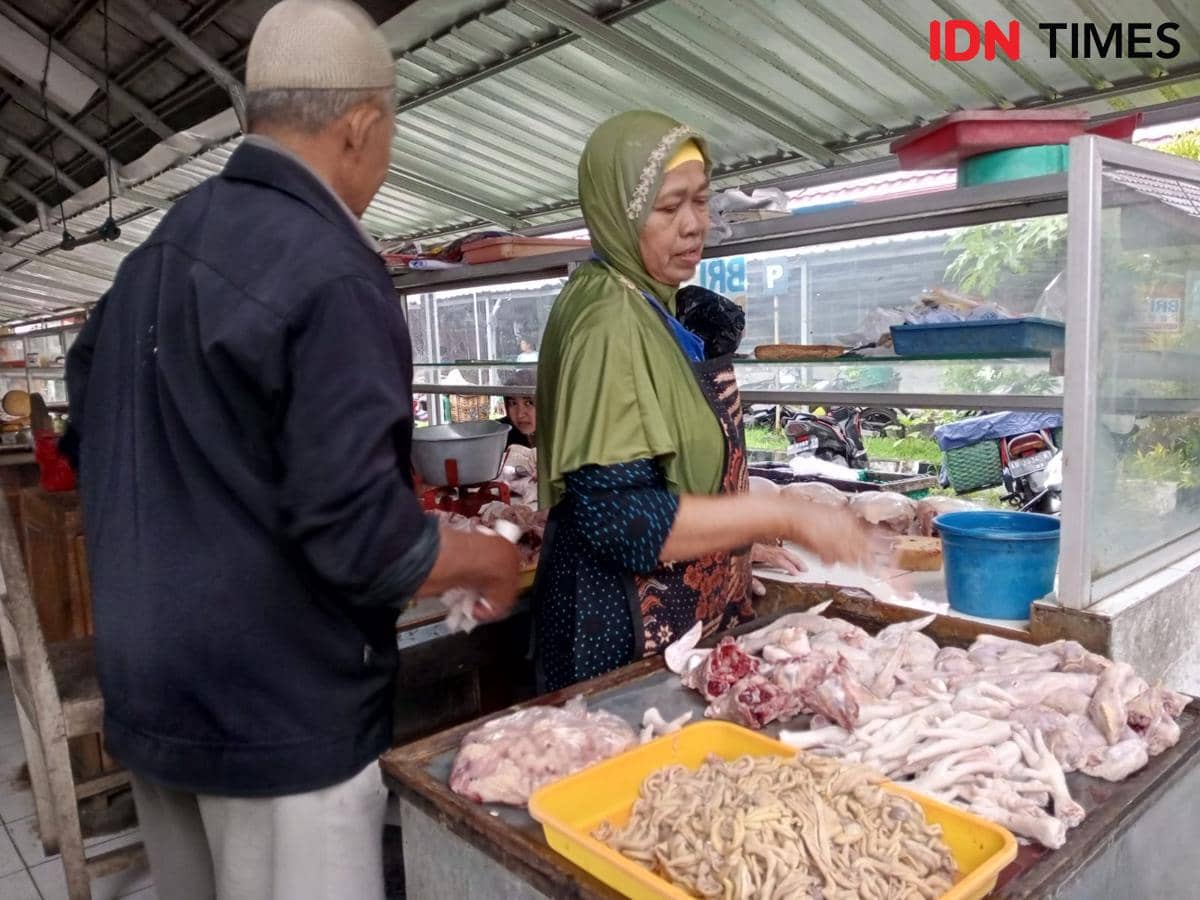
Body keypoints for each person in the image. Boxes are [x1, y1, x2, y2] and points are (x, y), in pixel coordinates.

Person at [63, 2, 520, 898]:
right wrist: (489, 559)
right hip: (276, 716)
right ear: (362, 127)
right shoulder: (331, 269)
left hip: (152, 694)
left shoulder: (151, 257)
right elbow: (366, 544)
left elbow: (96, 440)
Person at [534, 111, 869, 692]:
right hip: (615, 635)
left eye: (701, 201)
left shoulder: (642, 301)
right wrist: (784, 513)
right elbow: (623, 519)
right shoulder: (610, 319)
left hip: (660, 628)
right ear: (620, 211)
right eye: (668, 208)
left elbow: (668, 474)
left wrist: (731, 547)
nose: (693, 226)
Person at [498, 368, 536, 448]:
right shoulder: (499, 435)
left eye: (529, 403)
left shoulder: (561, 436)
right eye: (513, 403)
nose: (520, 414)